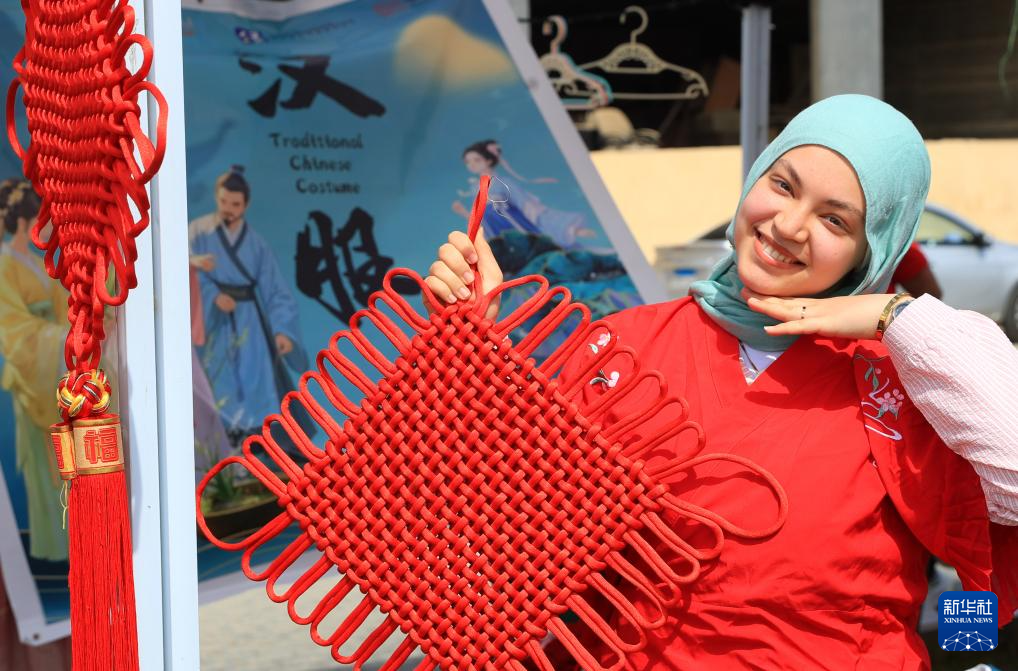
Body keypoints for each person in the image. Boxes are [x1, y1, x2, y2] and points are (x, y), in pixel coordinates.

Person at [423, 95, 1018, 669]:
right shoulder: (622, 348)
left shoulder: (899, 382)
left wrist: (897, 315)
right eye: (783, 185)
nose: (789, 225)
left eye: (834, 219)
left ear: (872, 252)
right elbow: (485, 537)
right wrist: (470, 353)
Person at [189, 166, 306, 445]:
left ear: (246, 205)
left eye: (235, 204)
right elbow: (182, 271)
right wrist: (211, 294)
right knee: (217, 379)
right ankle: (223, 444)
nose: (228, 209)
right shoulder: (198, 231)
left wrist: (282, 331)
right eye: (223, 201)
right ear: (217, 197)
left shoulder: (256, 244)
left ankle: (257, 444)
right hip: (212, 321)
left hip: (249, 320)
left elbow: (275, 290)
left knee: (255, 378)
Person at [453, 140, 595, 249]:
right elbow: (480, 217)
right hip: (495, 230)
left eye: (476, 160)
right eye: (468, 162)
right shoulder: (475, 188)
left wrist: (570, 229)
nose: (472, 164)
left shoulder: (503, 182)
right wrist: (463, 212)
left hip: (515, 225)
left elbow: (527, 205)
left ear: (488, 160)